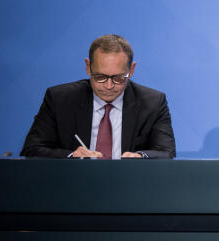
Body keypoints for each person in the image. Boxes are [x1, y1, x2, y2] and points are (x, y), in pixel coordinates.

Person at [21, 34, 176, 159]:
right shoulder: (59, 99)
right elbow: (32, 149)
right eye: (100, 77)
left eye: (119, 78)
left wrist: (140, 156)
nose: (109, 86)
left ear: (132, 70)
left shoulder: (153, 103)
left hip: (130, 189)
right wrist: (71, 156)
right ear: (88, 67)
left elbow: (166, 152)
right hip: (72, 187)